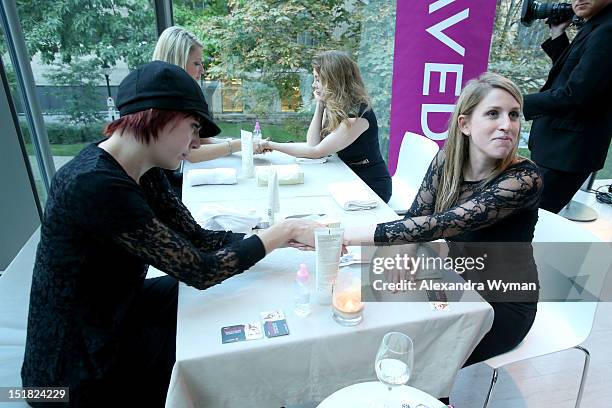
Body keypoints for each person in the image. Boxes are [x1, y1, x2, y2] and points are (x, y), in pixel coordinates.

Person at [21, 61, 316, 407]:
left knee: (235, 297)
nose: (194, 144)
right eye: (192, 127)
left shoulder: (142, 167)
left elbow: (200, 239)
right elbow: (201, 270)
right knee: (206, 355)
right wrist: (283, 232)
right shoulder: (93, 184)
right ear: (158, 116)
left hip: (118, 309)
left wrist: (277, 239)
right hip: (69, 374)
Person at [343, 73, 542, 400]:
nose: (507, 124)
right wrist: (406, 242)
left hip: (501, 304)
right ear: (464, 124)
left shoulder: (524, 177)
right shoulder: (447, 159)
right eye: (493, 114)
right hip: (454, 279)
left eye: (514, 114)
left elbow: (444, 223)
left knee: (414, 358)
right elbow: (417, 218)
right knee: (375, 321)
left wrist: (351, 235)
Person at [259, 50, 392, 202]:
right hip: (347, 176)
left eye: (317, 79)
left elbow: (316, 151)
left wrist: (271, 145)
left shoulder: (358, 114)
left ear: (333, 80)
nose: (313, 84)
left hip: (369, 185)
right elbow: (313, 142)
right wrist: (320, 104)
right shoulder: (339, 106)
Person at [523, 0, 612, 213]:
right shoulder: (597, 24)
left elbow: (575, 94)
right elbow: (571, 71)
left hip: (567, 152)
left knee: (530, 221)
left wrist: (514, 103)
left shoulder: (608, 31)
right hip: (559, 147)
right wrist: (558, 34)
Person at [153, 25, 262, 162]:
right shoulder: (165, 101)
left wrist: (242, 144)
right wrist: (237, 145)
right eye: (196, 63)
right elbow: (189, 153)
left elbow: (202, 141)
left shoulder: (179, 94)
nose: (203, 70)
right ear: (178, 62)